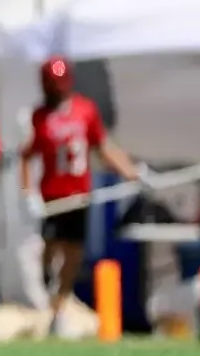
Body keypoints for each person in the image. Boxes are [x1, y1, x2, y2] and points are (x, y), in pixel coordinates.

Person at [20, 56, 146, 338]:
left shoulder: (85, 110)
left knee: (73, 254)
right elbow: (26, 155)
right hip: (52, 198)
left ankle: (59, 308)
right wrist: (27, 193)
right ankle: (49, 285)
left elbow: (103, 147)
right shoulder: (39, 116)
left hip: (78, 197)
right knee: (50, 249)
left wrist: (132, 172)